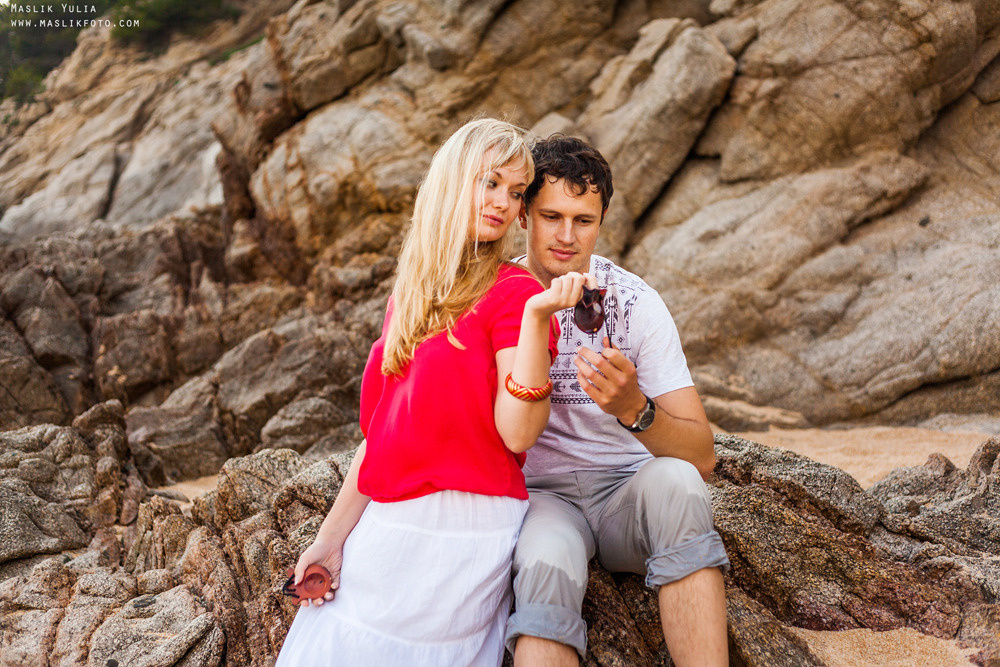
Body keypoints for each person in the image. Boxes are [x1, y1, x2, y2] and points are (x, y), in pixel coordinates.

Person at [273, 118, 590, 667]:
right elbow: (381, 437)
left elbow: (518, 433)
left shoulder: (516, 293)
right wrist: (330, 540)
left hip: (462, 528)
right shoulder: (412, 294)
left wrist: (538, 319)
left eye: (516, 192)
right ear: (453, 179)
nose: (503, 203)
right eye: (490, 182)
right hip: (387, 522)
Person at [504, 135, 731, 666]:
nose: (566, 236)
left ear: (602, 220)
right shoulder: (497, 299)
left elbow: (702, 456)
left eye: (583, 220)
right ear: (524, 215)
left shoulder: (633, 303)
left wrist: (634, 407)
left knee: (680, 485)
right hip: (540, 500)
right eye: (551, 216)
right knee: (545, 563)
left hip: (627, 491)